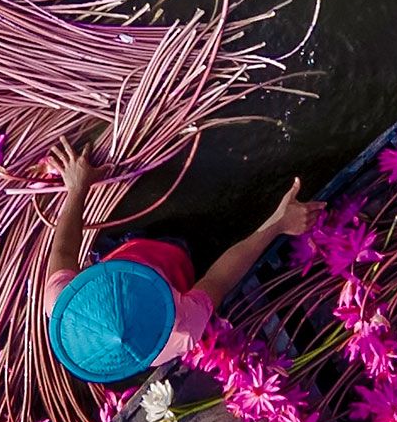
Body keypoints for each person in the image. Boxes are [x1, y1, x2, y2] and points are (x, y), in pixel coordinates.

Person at [39, 144, 315, 388]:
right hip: (179, 255)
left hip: (127, 248)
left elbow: (63, 248)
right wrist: (277, 224)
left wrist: (77, 187)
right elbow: (219, 278)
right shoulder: (180, 329)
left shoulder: (62, 300)